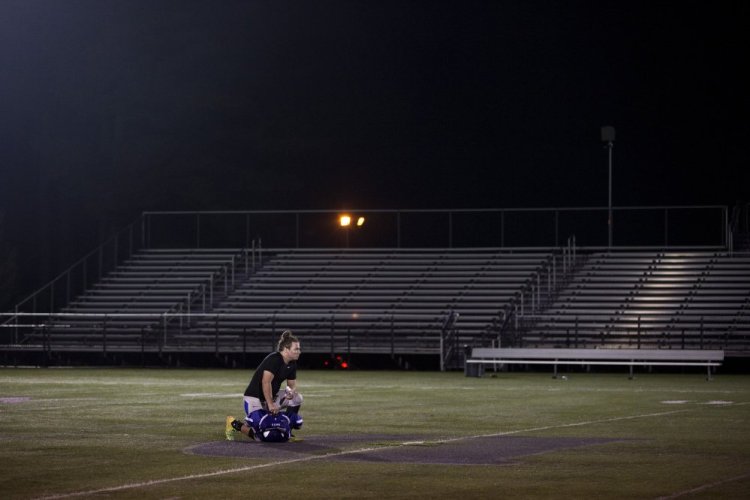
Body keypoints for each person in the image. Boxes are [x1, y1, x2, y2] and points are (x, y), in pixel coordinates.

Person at [226, 330, 304, 442]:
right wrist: (271, 404)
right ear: (286, 350)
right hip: (255, 398)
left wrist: (290, 392)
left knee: (297, 398)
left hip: (271, 397)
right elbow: (265, 382)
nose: (299, 351)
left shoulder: (292, 363)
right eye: (296, 349)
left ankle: (288, 430)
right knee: (261, 437)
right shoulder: (274, 359)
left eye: (299, 349)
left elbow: (291, 386)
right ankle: (234, 424)